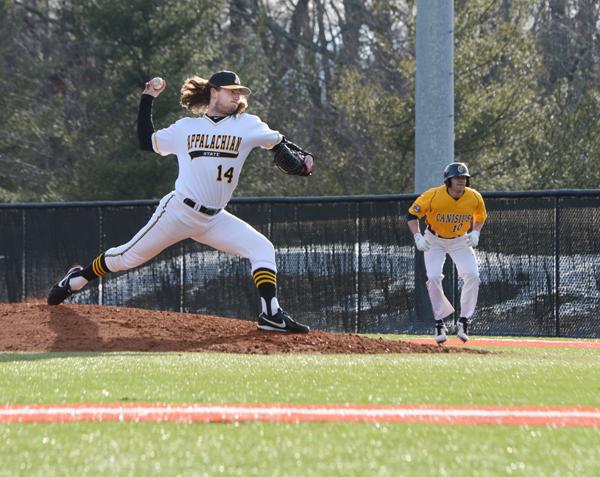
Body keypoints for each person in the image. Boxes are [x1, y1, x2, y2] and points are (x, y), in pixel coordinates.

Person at [47, 70, 313, 333]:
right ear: (213, 92)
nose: (236, 96)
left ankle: (271, 315)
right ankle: (77, 280)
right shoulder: (186, 128)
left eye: (239, 92)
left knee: (261, 248)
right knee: (127, 258)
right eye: (230, 91)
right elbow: (146, 141)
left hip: (214, 218)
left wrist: (302, 161)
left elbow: (280, 145)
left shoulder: (248, 124)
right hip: (178, 212)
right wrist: (148, 98)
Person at [406, 162, 487, 344]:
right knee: (433, 277)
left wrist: (476, 231)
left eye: (463, 178)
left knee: (473, 276)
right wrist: (417, 236)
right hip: (435, 240)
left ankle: (464, 321)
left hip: (460, 240)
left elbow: (481, 216)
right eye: (456, 178)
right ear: (448, 180)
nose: (460, 181)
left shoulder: (474, 197)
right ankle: (439, 322)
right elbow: (411, 214)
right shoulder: (433, 195)